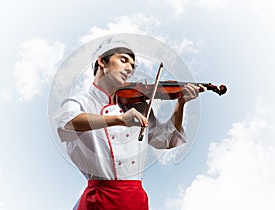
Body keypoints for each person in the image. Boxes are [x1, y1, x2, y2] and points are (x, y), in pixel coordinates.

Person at [55, 37, 203, 210]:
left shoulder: (137, 105)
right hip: (100, 200)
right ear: (102, 61)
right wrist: (118, 119)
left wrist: (181, 103)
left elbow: (166, 140)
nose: (129, 69)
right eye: (123, 60)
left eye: (133, 66)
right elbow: (68, 124)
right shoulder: (79, 102)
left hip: (135, 199)